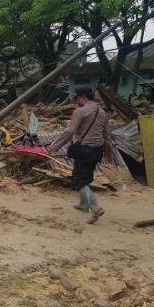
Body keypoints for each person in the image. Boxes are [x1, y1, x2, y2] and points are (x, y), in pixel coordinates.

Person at [47, 87, 111, 224]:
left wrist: (53, 147)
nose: (77, 101)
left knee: (78, 180)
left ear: (82, 98)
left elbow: (69, 131)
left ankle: (95, 207)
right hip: (97, 150)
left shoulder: (80, 111)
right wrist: (108, 153)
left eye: (77, 98)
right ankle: (83, 204)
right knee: (85, 177)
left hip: (84, 150)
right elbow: (107, 135)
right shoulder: (103, 113)